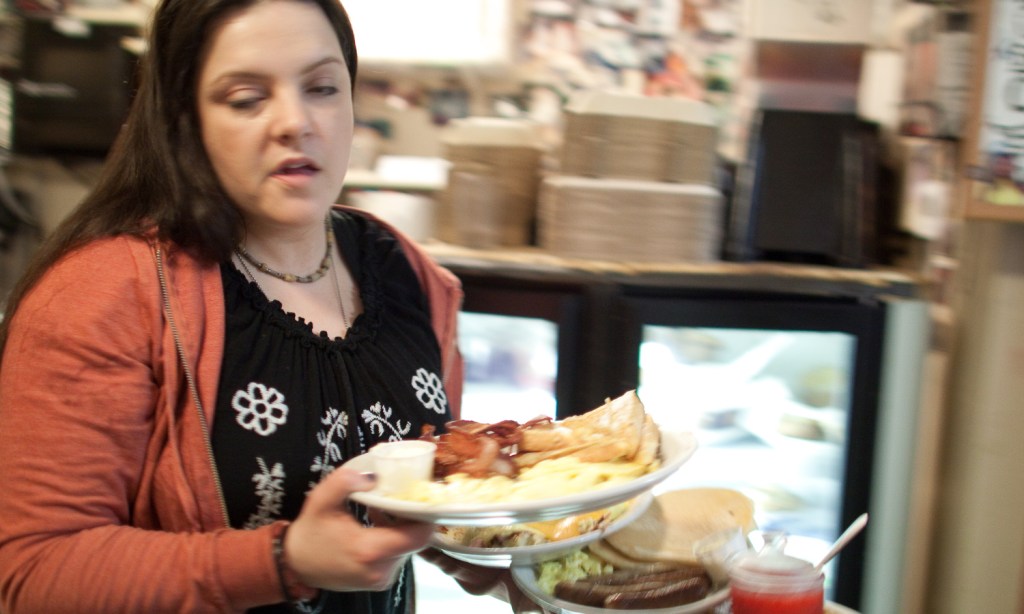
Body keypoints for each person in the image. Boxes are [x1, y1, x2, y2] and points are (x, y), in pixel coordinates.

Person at [0, 1, 535, 612]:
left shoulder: (405, 271)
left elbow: (416, 499)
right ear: (183, 120)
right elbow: (33, 572)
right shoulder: (103, 294)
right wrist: (282, 562)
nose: (296, 121)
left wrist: (511, 555)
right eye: (246, 97)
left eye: (323, 88)